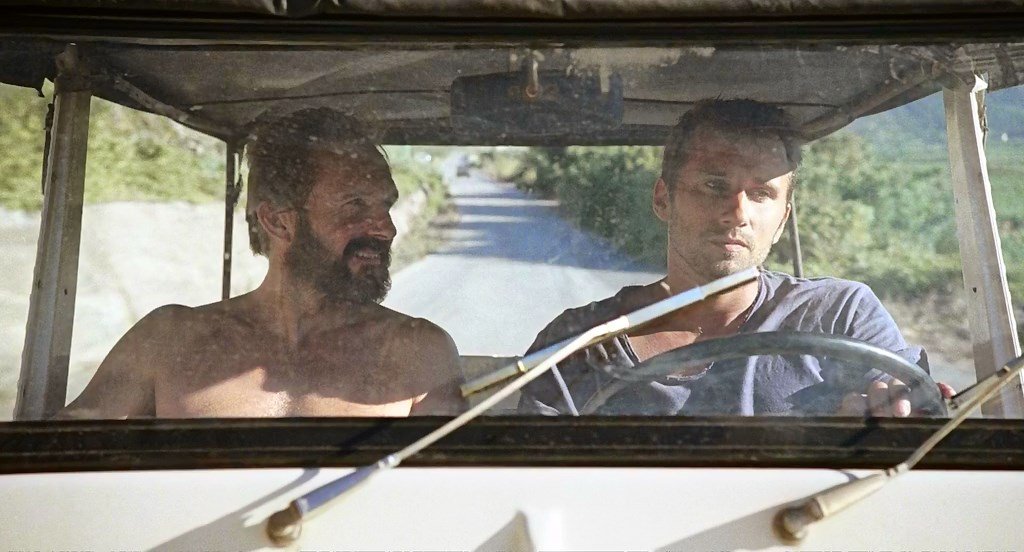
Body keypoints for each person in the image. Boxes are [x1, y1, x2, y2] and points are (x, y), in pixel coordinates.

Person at [518, 99, 953, 417]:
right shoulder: (577, 344)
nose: (738, 212)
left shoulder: (840, 314)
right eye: (714, 185)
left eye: (761, 193)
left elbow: (908, 405)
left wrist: (896, 407)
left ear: (782, 220)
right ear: (663, 198)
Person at [59, 108, 464, 418]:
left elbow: (451, 487)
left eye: (385, 205)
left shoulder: (416, 351)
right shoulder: (169, 342)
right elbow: (58, 463)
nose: (387, 229)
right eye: (355, 205)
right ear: (277, 221)